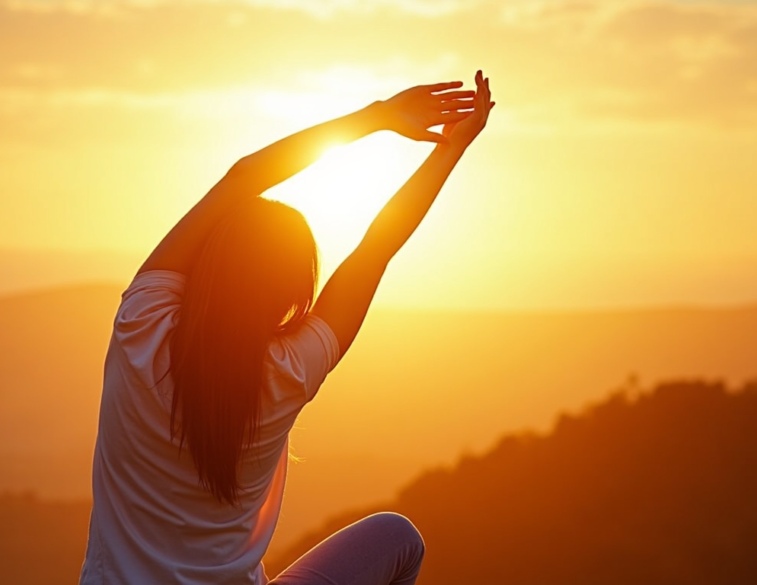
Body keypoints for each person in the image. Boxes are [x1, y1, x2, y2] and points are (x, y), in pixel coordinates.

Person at [79, 70, 494, 585]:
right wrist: (449, 149)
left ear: (207, 262)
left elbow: (243, 178)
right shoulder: (290, 370)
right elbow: (375, 251)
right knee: (398, 539)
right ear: (292, 299)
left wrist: (376, 116)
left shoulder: (140, 325)